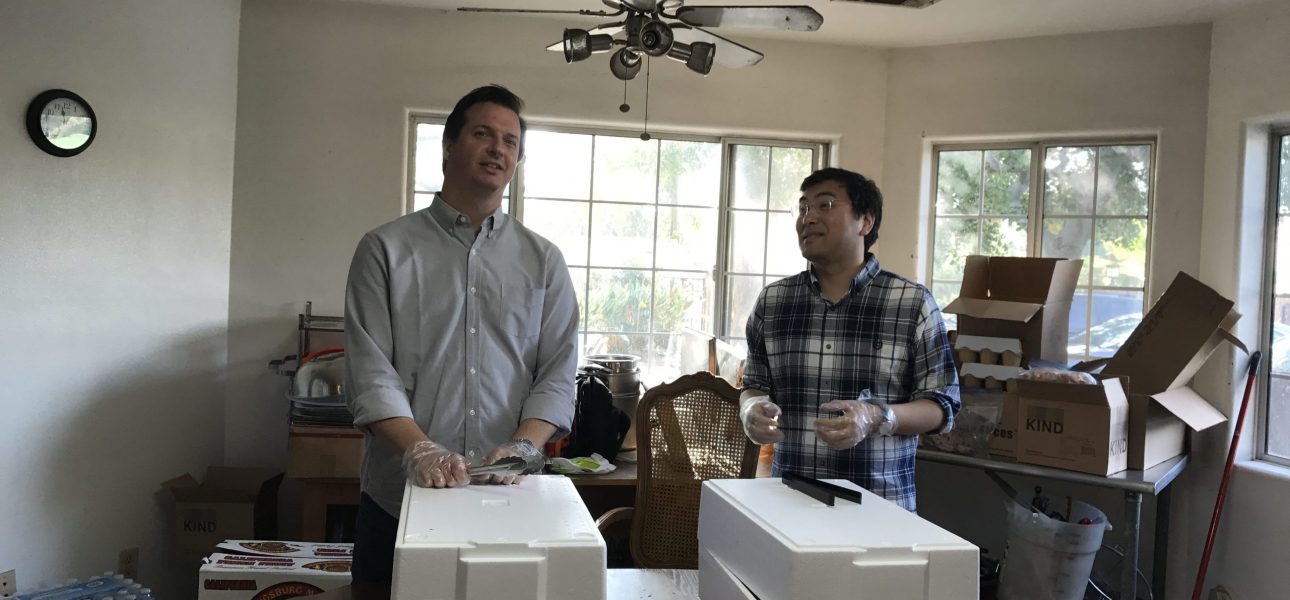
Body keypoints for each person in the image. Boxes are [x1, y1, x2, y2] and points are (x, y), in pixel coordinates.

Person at [343, 84, 578, 580]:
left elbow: (557, 374)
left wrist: (524, 447)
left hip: (508, 504)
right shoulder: (384, 249)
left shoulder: (544, 261)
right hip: (399, 504)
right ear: (448, 145)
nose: (498, 149)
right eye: (482, 134)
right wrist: (420, 449)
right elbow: (371, 374)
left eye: (510, 141)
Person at [739, 167, 959, 512]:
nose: (808, 218)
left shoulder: (911, 303)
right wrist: (750, 409)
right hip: (790, 506)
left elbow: (942, 406)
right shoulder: (774, 301)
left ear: (865, 222)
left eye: (825, 205)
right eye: (803, 208)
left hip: (879, 511)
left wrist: (877, 416)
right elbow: (753, 385)